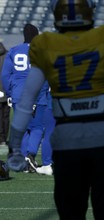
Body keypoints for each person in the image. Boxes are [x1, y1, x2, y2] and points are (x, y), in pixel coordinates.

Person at [6, 0, 104, 219]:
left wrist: (15, 146)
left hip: (68, 141)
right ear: (90, 12)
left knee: (71, 213)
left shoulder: (46, 44)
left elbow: (26, 101)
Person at [1, 24, 49, 174]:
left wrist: (10, 93)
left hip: (18, 93)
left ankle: (22, 161)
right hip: (35, 92)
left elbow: (5, 75)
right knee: (37, 127)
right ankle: (30, 155)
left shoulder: (14, 51)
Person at [0, 42, 10, 147]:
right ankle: (4, 138)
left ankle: (0, 137)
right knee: (6, 116)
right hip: (7, 90)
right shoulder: (8, 55)